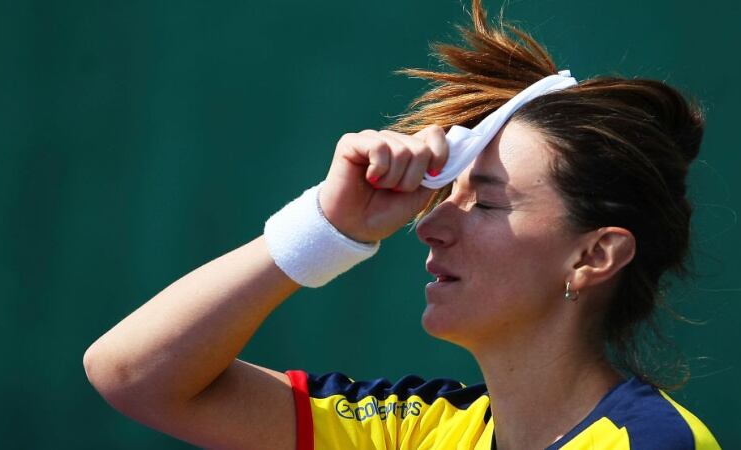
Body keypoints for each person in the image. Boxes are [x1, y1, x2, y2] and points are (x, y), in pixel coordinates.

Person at [83, 1, 721, 449]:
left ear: (594, 256)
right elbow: (134, 376)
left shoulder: (652, 442)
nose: (430, 225)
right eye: (445, 197)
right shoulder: (416, 429)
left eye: (485, 203)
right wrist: (325, 229)